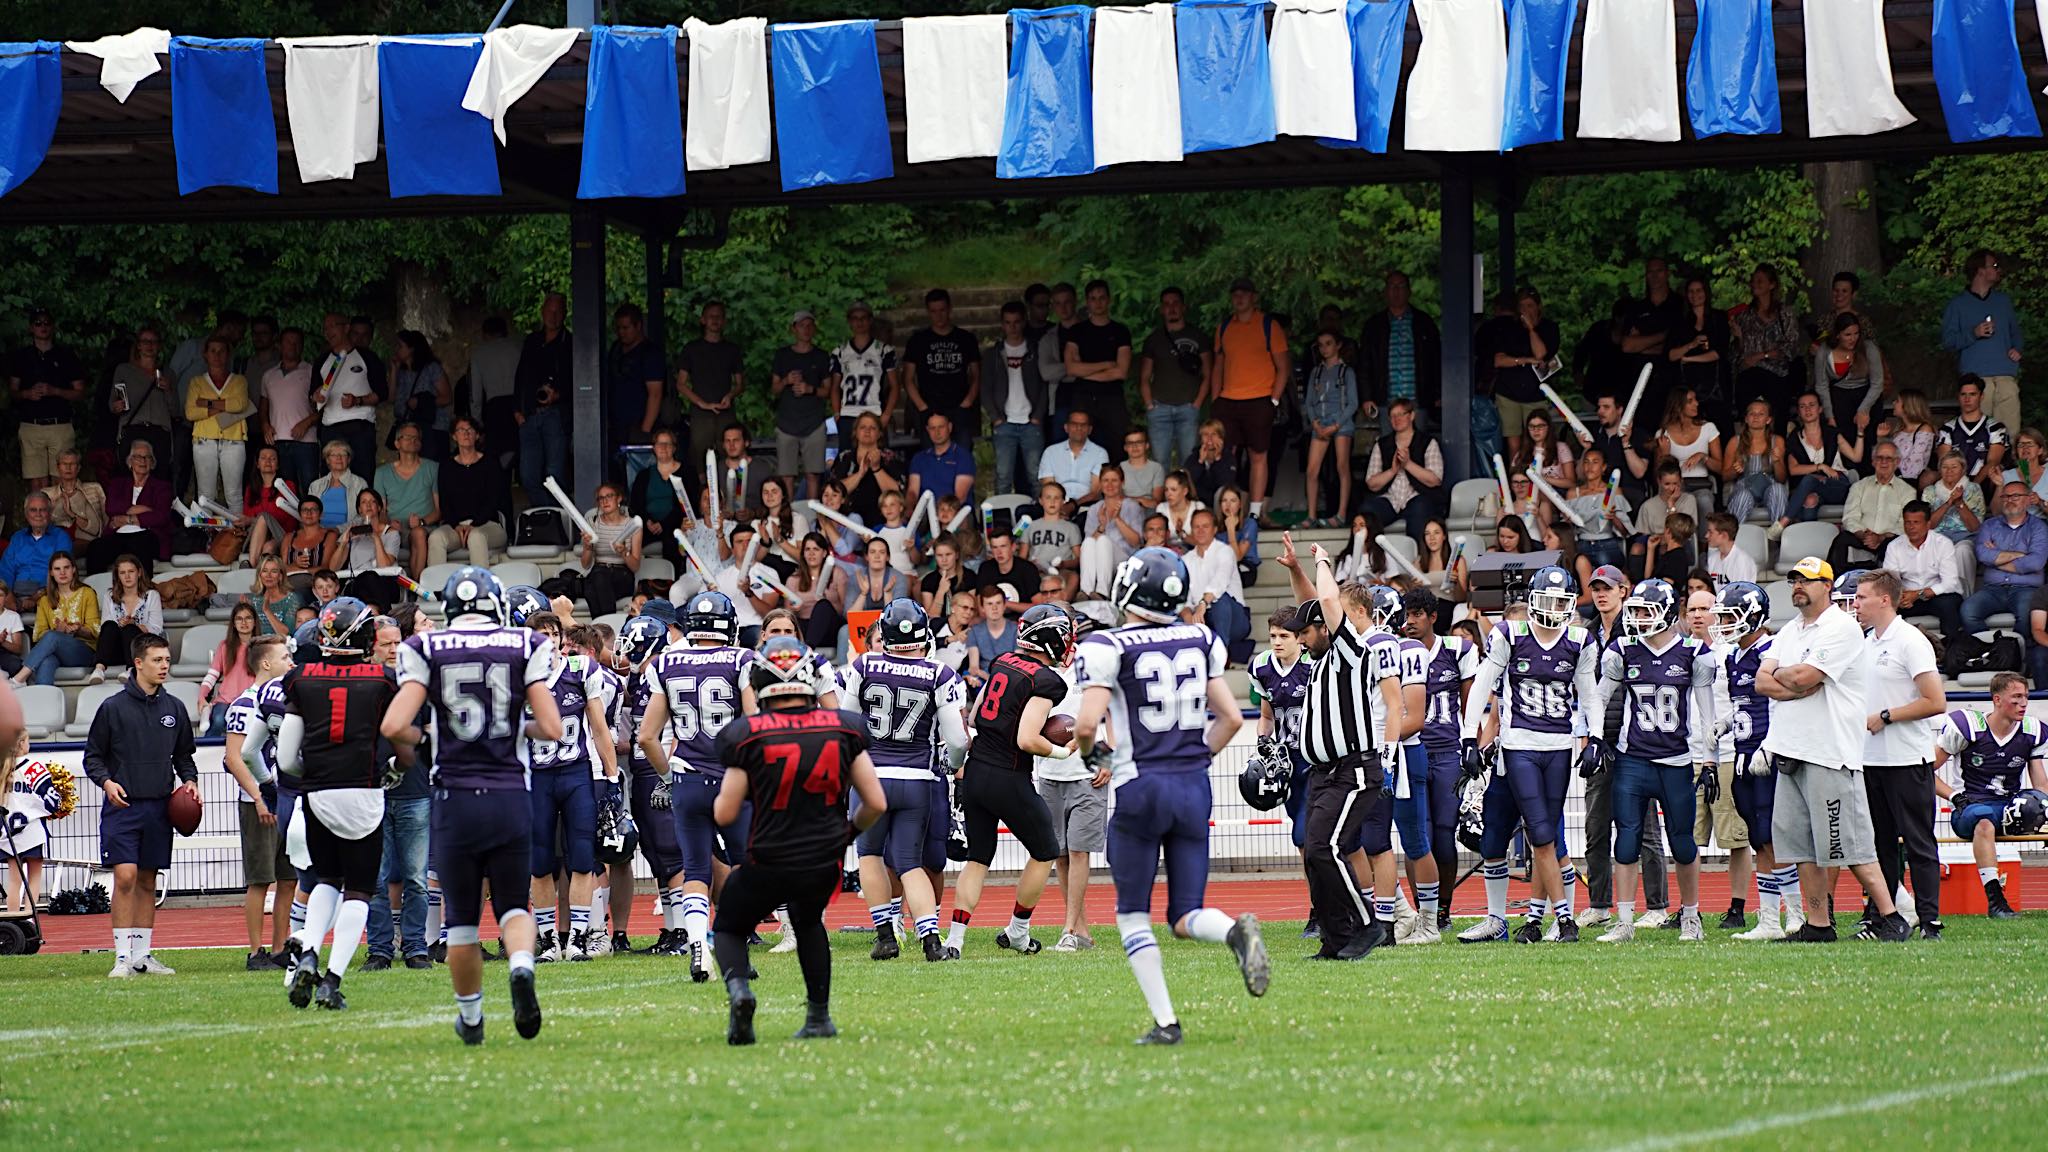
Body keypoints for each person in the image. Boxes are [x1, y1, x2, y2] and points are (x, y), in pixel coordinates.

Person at [1074, 550, 1266, 1043]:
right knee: (1184, 914)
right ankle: (1231, 932)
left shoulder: (1107, 645)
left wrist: (1099, 763)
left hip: (1141, 783)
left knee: (1133, 913)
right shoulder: (1201, 638)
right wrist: (1193, 761)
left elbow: (1086, 725)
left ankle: (1166, 1023)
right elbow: (1228, 718)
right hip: (1192, 785)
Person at [383, 567, 562, 1044]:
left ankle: (473, 1017)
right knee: (512, 905)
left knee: (461, 919)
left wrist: (429, 739)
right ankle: (522, 967)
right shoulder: (523, 646)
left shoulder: (424, 648)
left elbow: (394, 725)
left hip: (454, 797)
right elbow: (551, 727)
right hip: (508, 795)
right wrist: (510, 729)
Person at [709, 636, 885, 1044]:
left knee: (731, 928)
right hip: (822, 859)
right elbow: (875, 801)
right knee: (809, 924)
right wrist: (847, 834)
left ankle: (740, 992)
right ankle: (819, 1017)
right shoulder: (843, 727)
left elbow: (724, 813)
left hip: (767, 856)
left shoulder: (748, 734)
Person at [1755, 557, 1909, 942]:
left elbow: (1807, 676)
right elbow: (1763, 681)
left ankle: (1891, 917)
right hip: (1791, 749)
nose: (1797, 586)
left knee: (1849, 845)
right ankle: (1818, 924)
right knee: (1802, 848)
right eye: (1793, 579)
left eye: (1806, 580)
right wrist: (1792, 681)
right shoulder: (1791, 629)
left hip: (1830, 751)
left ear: (1827, 586)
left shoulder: (1841, 628)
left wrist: (1791, 677)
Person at [1458, 565, 1600, 943]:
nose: (1553, 608)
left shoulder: (1578, 641)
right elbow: (1487, 688)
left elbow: (1589, 694)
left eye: (1560, 601)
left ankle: (1547, 918)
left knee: (1545, 837)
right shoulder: (1508, 637)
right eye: (1546, 600)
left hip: (1553, 746)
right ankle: (1505, 919)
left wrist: (1594, 738)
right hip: (1513, 747)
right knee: (1498, 840)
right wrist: (1471, 739)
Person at [1277, 539, 1405, 957]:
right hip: (1324, 773)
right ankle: (1335, 940)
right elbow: (1310, 605)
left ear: (1327, 629)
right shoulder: (1321, 659)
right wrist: (1298, 570)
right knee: (1315, 853)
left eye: (1307, 632)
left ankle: (1367, 924)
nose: (1302, 639)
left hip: (1352, 768)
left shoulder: (1351, 653)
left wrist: (1322, 560)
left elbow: (1327, 599)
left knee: (1327, 847)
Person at [271, 599, 396, 1010]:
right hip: (362, 790)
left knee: (325, 879)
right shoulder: (382, 679)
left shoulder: (302, 677)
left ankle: (308, 951)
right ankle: (332, 980)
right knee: (359, 890)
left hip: (317, 792)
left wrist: (311, 778)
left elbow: (286, 757)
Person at [637, 592, 758, 982]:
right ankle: (734, 947)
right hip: (732, 777)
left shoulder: (667, 662)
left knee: (695, 869)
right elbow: (755, 724)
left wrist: (669, 777)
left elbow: (647, 737)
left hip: (687, 775)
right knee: (745, 865)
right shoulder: (741, 660)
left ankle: (698, 947)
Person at [1587, 579, 1717, 942]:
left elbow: (1708, 714)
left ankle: (1691, 916)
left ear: (1665, 611)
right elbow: (1597, 697)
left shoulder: (1693, 652)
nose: (1640, 618)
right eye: (1637, 611)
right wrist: (1595, 738)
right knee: (1626, 840)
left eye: (1647, 611)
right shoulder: (1623, 649)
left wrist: (1709, 761)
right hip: (1633, 760)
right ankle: (1625, 920)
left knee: (1683, 843)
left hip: (1675, 761)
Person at [943, 605, 1076, 960]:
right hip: (1007, 775)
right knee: (1045, 850)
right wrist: (1064, 752)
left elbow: (973, 715)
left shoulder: (1003, 660)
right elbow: (1027, 739)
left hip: (975, 771)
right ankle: (1018, 931)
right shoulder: (1047, 681)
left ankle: (954, 940)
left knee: (978, 857)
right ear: (1049, 640)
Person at [840, 600, 969, 962]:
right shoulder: (938, 673)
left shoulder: (864, 665)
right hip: (917, 778)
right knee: (910, 862)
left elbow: (845, 722)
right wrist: (950, 763)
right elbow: (957, 739)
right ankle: (930, 940)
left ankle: (885, 937)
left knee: (869, 856)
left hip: (871, 777)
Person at [85, 632, 198, 977]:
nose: (164, 666)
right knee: (125, 876)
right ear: (138, 663)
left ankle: (143, 956)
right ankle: (121, 958)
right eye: (157, 660)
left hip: (160, 807)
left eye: (167, 660)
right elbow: (93, 758)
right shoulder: (112, 708)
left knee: (148, 880)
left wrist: (190, 782)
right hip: (123, 807)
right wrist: (106, 782)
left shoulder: (175, 708)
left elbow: (184, 757)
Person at [1849, 569, 1947, 939]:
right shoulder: (1865, 642)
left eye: (1861, 598)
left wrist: (1886, 717)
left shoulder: (1910, 641)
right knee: (1881, 846)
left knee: (1919, 843)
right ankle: (1884, 920)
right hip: (1870, 760)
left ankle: (1930, 921)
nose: (1855, 604)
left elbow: (1936, 701)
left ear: (1884, 600)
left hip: (1907, 759)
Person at [1707, 581, 1804, 940]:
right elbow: (1744, 705)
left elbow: (1783, 704)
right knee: (1757, 839)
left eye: (1731, 616)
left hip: (1769, 757)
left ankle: (1794, 915)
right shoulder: (1733, 656)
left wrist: (1773, 745)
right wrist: (1726, 723)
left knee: (1776, 838)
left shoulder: (1774, 650)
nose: (1725, 623)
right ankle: (1767, 920)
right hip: (1744, 754)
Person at [522, 610, 618, 963]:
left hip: (575, 772)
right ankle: (548, 939)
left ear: (561, 638)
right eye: (539, 634)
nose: (547, 640)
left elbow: (599, 727)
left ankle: (577, 936)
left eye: (552, 633)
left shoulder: (581, 669)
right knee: (540, 861)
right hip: (536, 777)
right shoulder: (518, 673)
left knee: (581, 857)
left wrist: (610, 777)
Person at [1933, 672, 2044, 920]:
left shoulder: (2031, 731)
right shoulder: (1968, 728)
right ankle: (1996, 901)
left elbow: (2040, 784)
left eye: (2025, 696)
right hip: (1970, 805)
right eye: (2016, 697)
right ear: (1996, 699)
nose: (2023, 703)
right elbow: (1923, 774)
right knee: (1983, 820)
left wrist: (2044, 808)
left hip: (2009, 808)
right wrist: (1954, 797)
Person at [611, 615, 688, 955]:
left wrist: (667, 776)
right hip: (643, 772)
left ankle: (684, 932)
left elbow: (678, 728)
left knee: (673, 854)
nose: (625, 651)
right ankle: (672, 930)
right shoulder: (644, 677)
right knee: (657, 856)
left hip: (661, 772)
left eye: (631, 643)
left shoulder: (666, 672)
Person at [359, 616, 432, 970]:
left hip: (416, 788)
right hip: (372, 791)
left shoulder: (417, 681)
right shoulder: (363, 684)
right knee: (377, 878)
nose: (392, 649)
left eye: (396, 641)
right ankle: (380, 950)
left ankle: (416, 946)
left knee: (416, 878)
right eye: (384, 643)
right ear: (371, 646)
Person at [1249, 605, 1321, 931]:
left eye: (1284, 636)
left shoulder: (1314, 664)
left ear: (1300, 638)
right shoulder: (1263, 666)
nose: (1277, 642)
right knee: (1302, 839)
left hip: (1318, 759)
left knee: (1311, 836)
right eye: (1273, 636)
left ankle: (1325, 908)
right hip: (1287, 761)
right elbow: (1267, 715)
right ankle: (1319, 906)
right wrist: (1263, 743)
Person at [1208, 278, 1291, 523]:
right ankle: (1226, 510)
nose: (1240, 298)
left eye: (1245, 293)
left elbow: (1283, 367)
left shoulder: (1268, 325)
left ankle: (1254, 512)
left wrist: (1273, 401)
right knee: (1225, 455)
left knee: (1258, 455)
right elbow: (1218, 366)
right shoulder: (1224, 327)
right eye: (1235, 294)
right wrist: (1215, 400)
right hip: (1228, 399)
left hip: (1259, 399)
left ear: (1254, 297)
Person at [1941, 249, 2024, 435]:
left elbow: (2016, 333)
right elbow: (1948, 341)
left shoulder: (2003, 301)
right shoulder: (1957, 305)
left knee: (2010, 433)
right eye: (1993, 266)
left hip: (2005, 374)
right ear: (1980, 270)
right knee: (1979, 434)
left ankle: (2013, 464)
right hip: (1976, 377)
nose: (1998, 270)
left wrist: (2017, 349)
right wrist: (1973, 333)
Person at [10, 306, 87, 490]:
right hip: (31, 425)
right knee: (37, 482)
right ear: (31, 328)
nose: (42, 326)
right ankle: (40, 518)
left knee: (62, 480)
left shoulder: (66, 355)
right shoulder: (21, 356)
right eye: (38, 323)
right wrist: (27, 394)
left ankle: (61, 518)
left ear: (53, 327)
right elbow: (12, 391)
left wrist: (56, 391)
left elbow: (80, 392)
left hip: (59, 425)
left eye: (47, 323)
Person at [1359, 271, 1443, 435]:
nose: (1396, 291)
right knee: (1389, 447)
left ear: (1409, 291)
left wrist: (1438, 394)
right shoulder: (1374, 325)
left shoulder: (1424, 322)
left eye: (1401, 286)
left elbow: (1436, 361)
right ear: (1385, 292)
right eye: (1392, 287)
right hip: (1386, 399)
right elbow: (1365, 364)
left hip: (1418, 399)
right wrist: (1367, 397)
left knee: (1418, 446)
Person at [1963, 481, 2048, 637]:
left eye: (2015, 496)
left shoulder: (2039, 527)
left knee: (2026, 615)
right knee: (1968, 610)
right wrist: (2021, 555)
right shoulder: (1989, 525)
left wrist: (1996, 556)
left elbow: (2036, 562)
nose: (2009, 500)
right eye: (2005, 496)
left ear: (2028, 500)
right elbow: (1982, 554)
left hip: (2027, 589)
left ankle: (2016, 655)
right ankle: (1989, 651)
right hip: (1992, 589)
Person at [1139, 286, 1211, 471]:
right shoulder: (1154, 339)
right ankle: (1160, 500)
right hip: (1159, 408)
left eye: (1175, 303)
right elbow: (1145, 376)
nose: (1171, 308)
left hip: (1188, 407)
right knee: (1158, 462)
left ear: (1184, 307)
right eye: (1166, 304)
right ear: (1162, 309)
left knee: (1189, 460)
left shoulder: (1198, 336)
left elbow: (1208, 374)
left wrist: (1197, 403)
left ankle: (1187, 499)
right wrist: (1149, 405)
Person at [676, 301, 747, 487]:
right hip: (701, 412)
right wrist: (702, 403)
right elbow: (681, 384)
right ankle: (703, 493)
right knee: (698, 451)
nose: (715, 320)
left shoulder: (732, 350)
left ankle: (732, 491)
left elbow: (740, 384)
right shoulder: (691, 349)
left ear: (724, 321)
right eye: (711, 316)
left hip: (725, 409)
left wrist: (730, 395)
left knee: (731, 450)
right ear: (703, 320)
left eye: (719, 317)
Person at [425, 418, 511, 569]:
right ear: (454, 436)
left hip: (488, 525)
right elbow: (444, 503)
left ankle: (481, 589)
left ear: (477, 435)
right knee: (436, 537)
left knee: (475, 536)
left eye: (470, 430)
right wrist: (456, 525)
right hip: (456, 527)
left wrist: (474, 524)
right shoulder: (447, 467)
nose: (466, 433)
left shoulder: (490, 463)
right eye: (461, 430)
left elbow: (494, 500)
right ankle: (436, 590)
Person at [1480, 289, 1558, 455]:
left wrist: (1531, 328)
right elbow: (1498, 360)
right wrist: (1525, 360)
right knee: (1513, 447)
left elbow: (1541, 354)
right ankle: (1516, 478)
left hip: (1536, 394)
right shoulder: (1507, 328)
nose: (1525, 310)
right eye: (1521, 306)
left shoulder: (1550, 328)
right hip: (1509, 393)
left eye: (1530, 305)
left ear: (1539, 307)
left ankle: (1538, 478)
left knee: (1538, 443)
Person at [981, 300, 1045, 497]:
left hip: (1030, 422)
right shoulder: (993, 354)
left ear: (1024, 322)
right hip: (1005, 422)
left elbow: (1045, 384)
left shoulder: (1035, 350)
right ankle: (1002, 523)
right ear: (1002, 324)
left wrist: (1038, 415)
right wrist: (995, 417)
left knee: (1036, 476)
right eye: (1008, 322)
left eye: (1016, 322)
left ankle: (1041, 518)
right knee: (1003, 477)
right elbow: (985, 388)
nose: (1013, 327)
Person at [1359, 398, 1446, 541]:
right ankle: (1371, 559)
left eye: (1401, 414)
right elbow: (1371, 483)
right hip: (1390, 500)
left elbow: (1435, 480)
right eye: (1393, 416)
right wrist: (1392, 471)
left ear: (1412, 416)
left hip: (1417, 497)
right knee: (1366, 513)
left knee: (1421, 509)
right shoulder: (1382, 444)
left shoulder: (1428, 442)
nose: (1396, 419)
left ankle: (1417, 560)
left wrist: (1408, 464)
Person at [772, 311, 837, 500]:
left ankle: (812, 518)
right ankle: (788, 518)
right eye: (802, 325)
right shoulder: (782, 355)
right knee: (787, 476)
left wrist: (810, 389)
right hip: (786, 422)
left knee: (813, 474)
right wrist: (786, 381)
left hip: (813, 422)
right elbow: (774, 389)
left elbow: (828, 390)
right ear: (794, 329)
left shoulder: (821, 356)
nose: (806, 329)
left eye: (810, 325)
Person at [514, 293, 573, 501]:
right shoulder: (532, 341)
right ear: (542, 311)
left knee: (555, 474)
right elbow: (520, 376)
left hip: (555, 416)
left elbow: (581, 380)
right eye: (550, 310)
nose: (553, 315)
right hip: (529, 415)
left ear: (565, 314)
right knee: (528, 475)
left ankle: (559, 523)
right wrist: (517, 410)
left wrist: (558, 394)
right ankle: (546, 517)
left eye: (558, 311)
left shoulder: (570, 343)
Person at [0, 731, 63, 915]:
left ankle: (12, 918)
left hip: (9, 834)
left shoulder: (2, 768)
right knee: (34, 877)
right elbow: (52, 801)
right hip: (32, 831)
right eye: (28, 740)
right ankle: (29, 918)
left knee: (14, 879)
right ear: (21, 744)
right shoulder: (33, 768)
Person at [1730, 264, 1802, 422]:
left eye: (1760, 281)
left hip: (1776, 375)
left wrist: (1762, 355)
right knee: (1749, 420)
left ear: (1772, 284)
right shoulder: (1744, 315)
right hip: (1749, 376)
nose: (1755, 284)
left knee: (1778, 421)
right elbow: (1738, 354)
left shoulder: (1784, 313)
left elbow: (1791, 346)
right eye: (1753, 280)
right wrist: (1739, 337)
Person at [313, 312, 378, 485]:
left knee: (363, 478)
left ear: (346, 327)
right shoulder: (322, 361)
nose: (328, 331)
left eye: (333, 326)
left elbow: (382, 394)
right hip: (331, 427)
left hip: (361, 426)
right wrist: (317, 395)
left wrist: (357, 401)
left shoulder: (367, 357)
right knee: (333, 480)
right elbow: (312, 394)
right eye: (325, 328)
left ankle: (364, 513)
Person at [1885, 501, 1965, 640]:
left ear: (1928, 524)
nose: (1911, 527)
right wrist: (1901, 596)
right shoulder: (1894, 546)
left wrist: (1918, 594)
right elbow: (1890, 581)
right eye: (1907, 522)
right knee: (1886, 605)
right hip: (1907, 597)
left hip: (1937, 595)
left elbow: (1950, 583)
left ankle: (1950, 652)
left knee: (1950, 605)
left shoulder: (1942, 543)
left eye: (1916, 522)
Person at [15, 553, 97, 687]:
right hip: (55, 652)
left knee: (53, 636)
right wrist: (58, 631)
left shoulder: (87, 593)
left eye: (66, 567)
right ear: (51, 573)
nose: (62, 572)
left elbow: (95, 631)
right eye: (57, 569)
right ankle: (43, 703)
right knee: (47, 660)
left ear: (74, 569)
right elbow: (37, 635)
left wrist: (79, 630)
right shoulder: (44, 600)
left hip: (84, 652)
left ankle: (19, 678)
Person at [831, 300, 901, 453]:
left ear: (870, 321)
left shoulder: (883, 350)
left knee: (877, 459)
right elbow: (835, 387)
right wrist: (837, 414)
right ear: (850, 322)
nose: (859, 322)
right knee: (847, 461)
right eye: (855, 318)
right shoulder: (840, 352)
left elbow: (895, 386)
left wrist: (887, 414)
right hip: (848, 413)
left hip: (874, 411)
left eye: (863, 318)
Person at [374, 425, 440, 578]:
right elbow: (380, 511)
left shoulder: (432, 468)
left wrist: (422, 522)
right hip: (395, 529)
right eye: (408, 437)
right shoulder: (382, 473)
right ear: (397, 444)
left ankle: (417, 587)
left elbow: (439, 509)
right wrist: (389, 525)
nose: (413, 440)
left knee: (418, 533)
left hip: (424, 528)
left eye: (416, 438)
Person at [1668, 276, 1732, 426]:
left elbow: (1719, 353)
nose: (1695, 295)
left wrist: (1689, 359)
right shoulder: (1680, 321)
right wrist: (1691, 344)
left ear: (1706, 292)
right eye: (1691, 291)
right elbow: (1671, 355)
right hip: (1688, 385)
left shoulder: (1719, 318)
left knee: (1721, 426)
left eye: (1699, 290)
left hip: (1716, 386)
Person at [90, 556, 162, 688]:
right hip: (116, 650)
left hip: (142, 650)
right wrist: (121, 624)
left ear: (139, 573)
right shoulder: (110, 596)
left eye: (131, 572)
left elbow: (157, 629)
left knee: (130, 629)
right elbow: (106, 626)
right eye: (122, 573)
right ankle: (99, 669)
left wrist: (135, 625)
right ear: (117, 576)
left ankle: (131, 669)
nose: (127, 576)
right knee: (110, 625)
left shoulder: (152, 595)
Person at [827, 412, 906, 527]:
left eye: (872, 428)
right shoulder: (844, 457)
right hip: (848, 522)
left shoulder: (890, 457)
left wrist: (876, 469)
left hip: (884, 522)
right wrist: (860, 474)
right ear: (856, 433)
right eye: (863, 427)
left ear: (879, 433)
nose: (867, 431)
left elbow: (897, 493)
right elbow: (834, 492)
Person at [1718, 398, 1788, 528]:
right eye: (1752, 413)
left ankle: (1778, 537)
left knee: (1778, 489)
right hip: (1744, 488)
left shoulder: (1777, 441)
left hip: (1769, 488)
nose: (1755, 417)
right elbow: (1724, 476)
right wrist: (1735, 470)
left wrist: (1777, 461)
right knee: (1743, 495)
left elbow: (1782, 479)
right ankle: (1735, 539)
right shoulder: (1735, 442)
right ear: (1746, 418)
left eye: (1761, 414)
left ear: (1768, 420)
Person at [604, 305, 663, 454]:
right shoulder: (616, 350)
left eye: (626, 327)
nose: (621, 332)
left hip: (638, 426)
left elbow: (655, 394)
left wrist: (645, 431)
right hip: (615, 426)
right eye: (618, 328)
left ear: (638, 326)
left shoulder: (650, 354)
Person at [1079, 469, 1145, 599]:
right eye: (1105, 480)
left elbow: (1136, 542)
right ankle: (1086, 591)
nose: (1109, 485)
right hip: (1098, 560)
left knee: (1103, 541)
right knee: (1089, 542)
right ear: (1101, 483)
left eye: (1114, 480)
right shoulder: (1094, 509)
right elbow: (1088, 547)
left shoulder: (1132, 506)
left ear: (1122, 482)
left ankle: (1103, 592)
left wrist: (1117, 519)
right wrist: (1102, 526)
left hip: (1125, 560)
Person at [1813, 313, 1884, 435]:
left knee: (1865, 439)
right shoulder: (1824, 351)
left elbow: (1877, 383)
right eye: (1848, 334)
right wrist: (1830, 416)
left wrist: (1864, 409)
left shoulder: (1868, 348)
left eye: (1856, 334)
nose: (1853, 339)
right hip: (1839, 401)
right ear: (1838, 335)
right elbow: (1821, 386)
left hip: (1866, 397)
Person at [1937, 374, 2010, 492]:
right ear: (1958, 397)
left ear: (1981, 396)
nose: (1967, 399)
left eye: (1972, 394)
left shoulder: (1995, 427)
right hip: (1954, 480)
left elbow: (1993, 462)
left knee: (1997, 474)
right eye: (1963, 394)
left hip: (1984, 480)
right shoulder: (1947, 429)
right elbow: (1945, 462)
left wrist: (1972, 486)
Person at [581, 482, 642, 615]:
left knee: (594, 583)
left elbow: (635, 566)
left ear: (619, 498)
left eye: (609, 496)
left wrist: (623, 552)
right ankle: (606, 629)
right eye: (601, 498)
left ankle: (603, 629)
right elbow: (585, 565)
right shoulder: (592, 522)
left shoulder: (632, 525)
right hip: (599, 572)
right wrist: (587, 547)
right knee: (592, 586)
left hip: (622, 574)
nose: (605, 501)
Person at [628, 429, 691, 555]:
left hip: (677, 526)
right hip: (647, 527)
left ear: (674, 448)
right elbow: (635, 506)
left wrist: (664, 524)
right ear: (654, 448)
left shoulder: (688, 473)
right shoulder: (643, 476)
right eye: (659, 444)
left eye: (667, 444)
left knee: (673, 542)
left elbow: (689, 505)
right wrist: (647, 521)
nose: (663, 447)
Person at [0, 493, 71, 598]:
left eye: (43, 510)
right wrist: (8, 595)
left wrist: (38, 597)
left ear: (50, 513)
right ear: (26, 514)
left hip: (48, 595)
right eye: (33, 510)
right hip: (15, 595)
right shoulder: (18, 538)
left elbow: (63, 572)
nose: (38, 514)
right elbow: (5, 570)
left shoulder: (61, 537)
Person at [42, 450, 106, 561]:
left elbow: (99, 526)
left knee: (64, 549)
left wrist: (71, 514)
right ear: (58, 468)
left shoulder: (94, 489)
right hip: (56, 539)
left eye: (72, 464)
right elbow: (41, 524)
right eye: (64, 464)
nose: (68, 467)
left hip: (86, 540)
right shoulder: (47, 494)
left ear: (78, 468)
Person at [1038, 410, 1108, 508]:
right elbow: (1048, 488)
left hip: (1087, 506)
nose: (1079, 428)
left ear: (1090, 429)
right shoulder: (1051, 452)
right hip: (1055, 505)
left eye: (1083, 425)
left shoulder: (1100, 453)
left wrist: (1073, 506)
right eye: (1074, 424)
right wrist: (1059, 507)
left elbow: (1095, 492)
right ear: (1066, 427)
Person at [908, 411, 976, 510]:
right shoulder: (919, 458)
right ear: (927, 430)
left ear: (950, 427)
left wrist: (942, 515)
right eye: (933, 428)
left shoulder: (963, 456)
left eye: (941, 427)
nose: (937, 432)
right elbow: (912, 492)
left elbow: (960, 497)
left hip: (955, 513)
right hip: (924, 513)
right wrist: (908, 512)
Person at [1881, 388, 1940, 487]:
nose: (1893, 403)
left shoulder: (1924, 429)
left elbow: (1913, 469)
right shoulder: (1899, 431)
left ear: (1907, 405)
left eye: (1897, 401)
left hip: (1908, 484)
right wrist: (1881, 438)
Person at [308, 440, 370, 531]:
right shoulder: (315, 485)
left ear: (348, 459)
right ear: (327, 460)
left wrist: (338, 530)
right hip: (319, 534)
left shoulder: (359, 483)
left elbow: (364, 516)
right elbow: (308, 513)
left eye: (343, 454)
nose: (339, 458)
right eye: (333, 455)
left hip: (348, 535)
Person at [1183, 420, 1236, 509]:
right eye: (1206, 434)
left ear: (1221, 438)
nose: (1209, 438)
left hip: (1220, 504)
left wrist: (1218, 459)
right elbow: (1187, 481)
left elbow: (1225, 483)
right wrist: (1200, 462)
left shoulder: (1228, 457)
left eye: (1214, 434)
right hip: (1198, 502)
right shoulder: (1194, 456)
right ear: (1201, 438)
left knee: (1224, 492)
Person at [1701, 513, 1759, 587]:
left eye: (1711, 532)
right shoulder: (1712, 558)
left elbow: (1741, 594)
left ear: (1724, 535)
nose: (1706, 535)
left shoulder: (1743, 561)